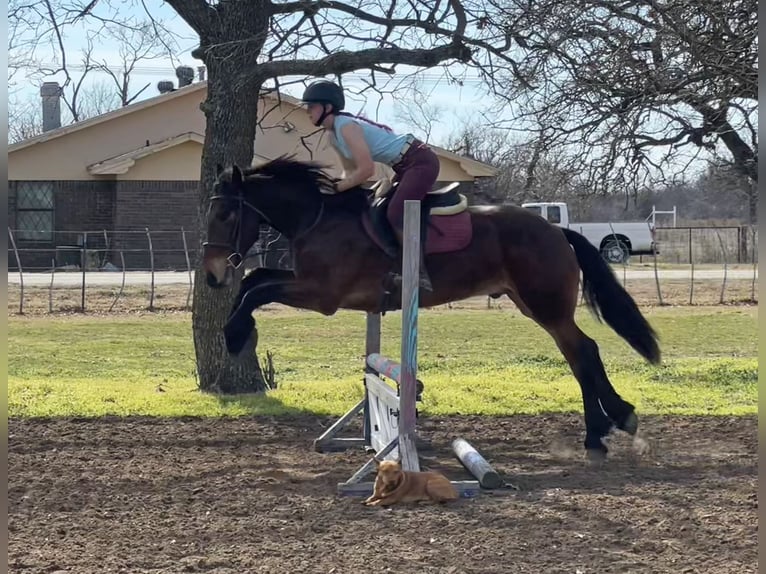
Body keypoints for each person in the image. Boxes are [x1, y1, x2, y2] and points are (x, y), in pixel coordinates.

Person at [301, 79, 438, 291]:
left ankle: (418, 275)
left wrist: (338, 188)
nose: (307, 111)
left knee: (395, 212)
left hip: (420, 161)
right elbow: (350, 173)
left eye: (312, 106)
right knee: (377, 208)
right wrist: (332, 188)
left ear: (327, 107)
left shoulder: (346, 127)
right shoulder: (332, 136)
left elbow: (367, 170)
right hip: (403, 166)